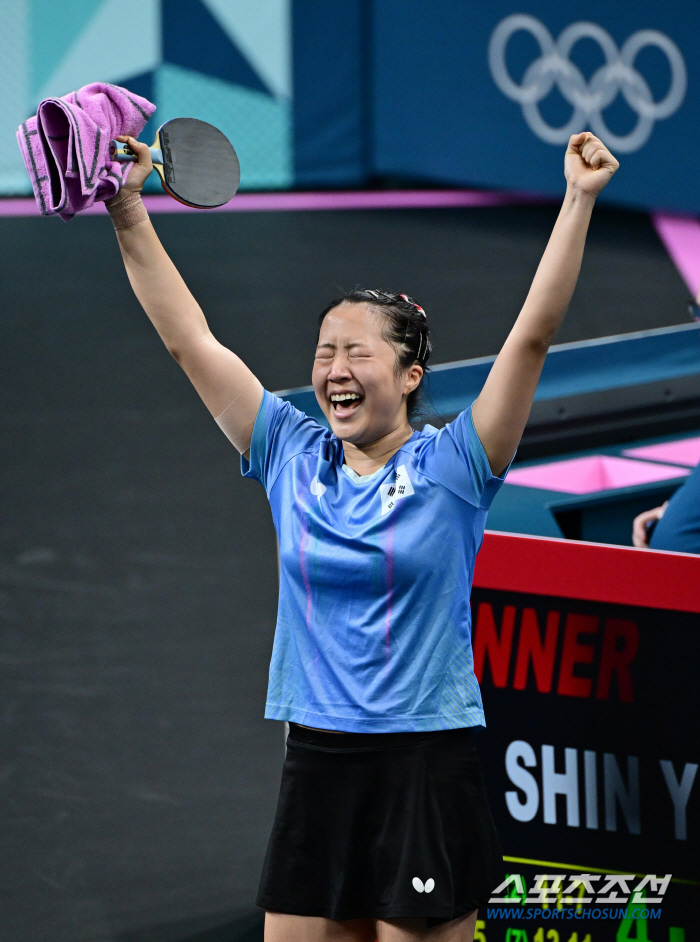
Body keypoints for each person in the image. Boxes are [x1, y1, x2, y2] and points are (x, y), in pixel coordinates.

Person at [104, 130, 618, 942]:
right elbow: (189, 340)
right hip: (317, 758)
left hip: (423, 762)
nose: (334, 368)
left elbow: (531, 336)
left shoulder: (458, 465)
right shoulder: (287, 452)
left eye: (357, 352)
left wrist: (578, 200)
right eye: (323, 351)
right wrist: (128, 207)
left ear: (411, 374)